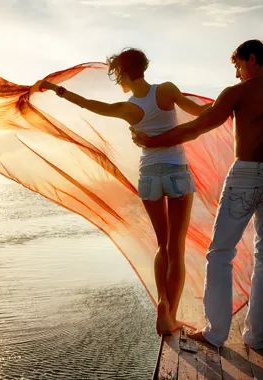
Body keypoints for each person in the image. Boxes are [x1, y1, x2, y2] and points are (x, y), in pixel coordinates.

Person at [131, 40, 263, 349]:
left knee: (220, 252)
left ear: (251, 59)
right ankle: (255, 336)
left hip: (246, 173)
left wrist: (153, 142)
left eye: (237, 66)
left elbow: (197, 127)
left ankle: (216, 333)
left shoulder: (238, 93)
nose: (236, 74)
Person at [35, 48, 211, 336]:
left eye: (117, 74)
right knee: (177, 248)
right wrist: (232, 101)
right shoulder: (166, 90)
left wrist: (58, 89)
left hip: (150, 176)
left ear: (126, 73)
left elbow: (90, 105)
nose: (117, 80)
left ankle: (163, 303)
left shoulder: (127, 108)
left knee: (162, 245)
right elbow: (198, 111)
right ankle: (173, 316)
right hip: (177, 173)